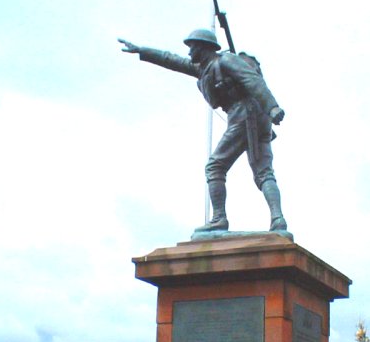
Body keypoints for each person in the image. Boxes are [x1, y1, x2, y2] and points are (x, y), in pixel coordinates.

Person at [118, 29, 289, 233]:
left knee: (215, 166)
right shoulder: (205, 68)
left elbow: (253, 80)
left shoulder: (226, 61)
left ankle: (219, 218)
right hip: (254, 117)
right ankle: (278, 219)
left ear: (202, 47)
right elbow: (171, 60)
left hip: (245, 114)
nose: (190, 53)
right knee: (263, 171)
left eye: (192, 47)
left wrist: (272, 107)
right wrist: (142, 51)